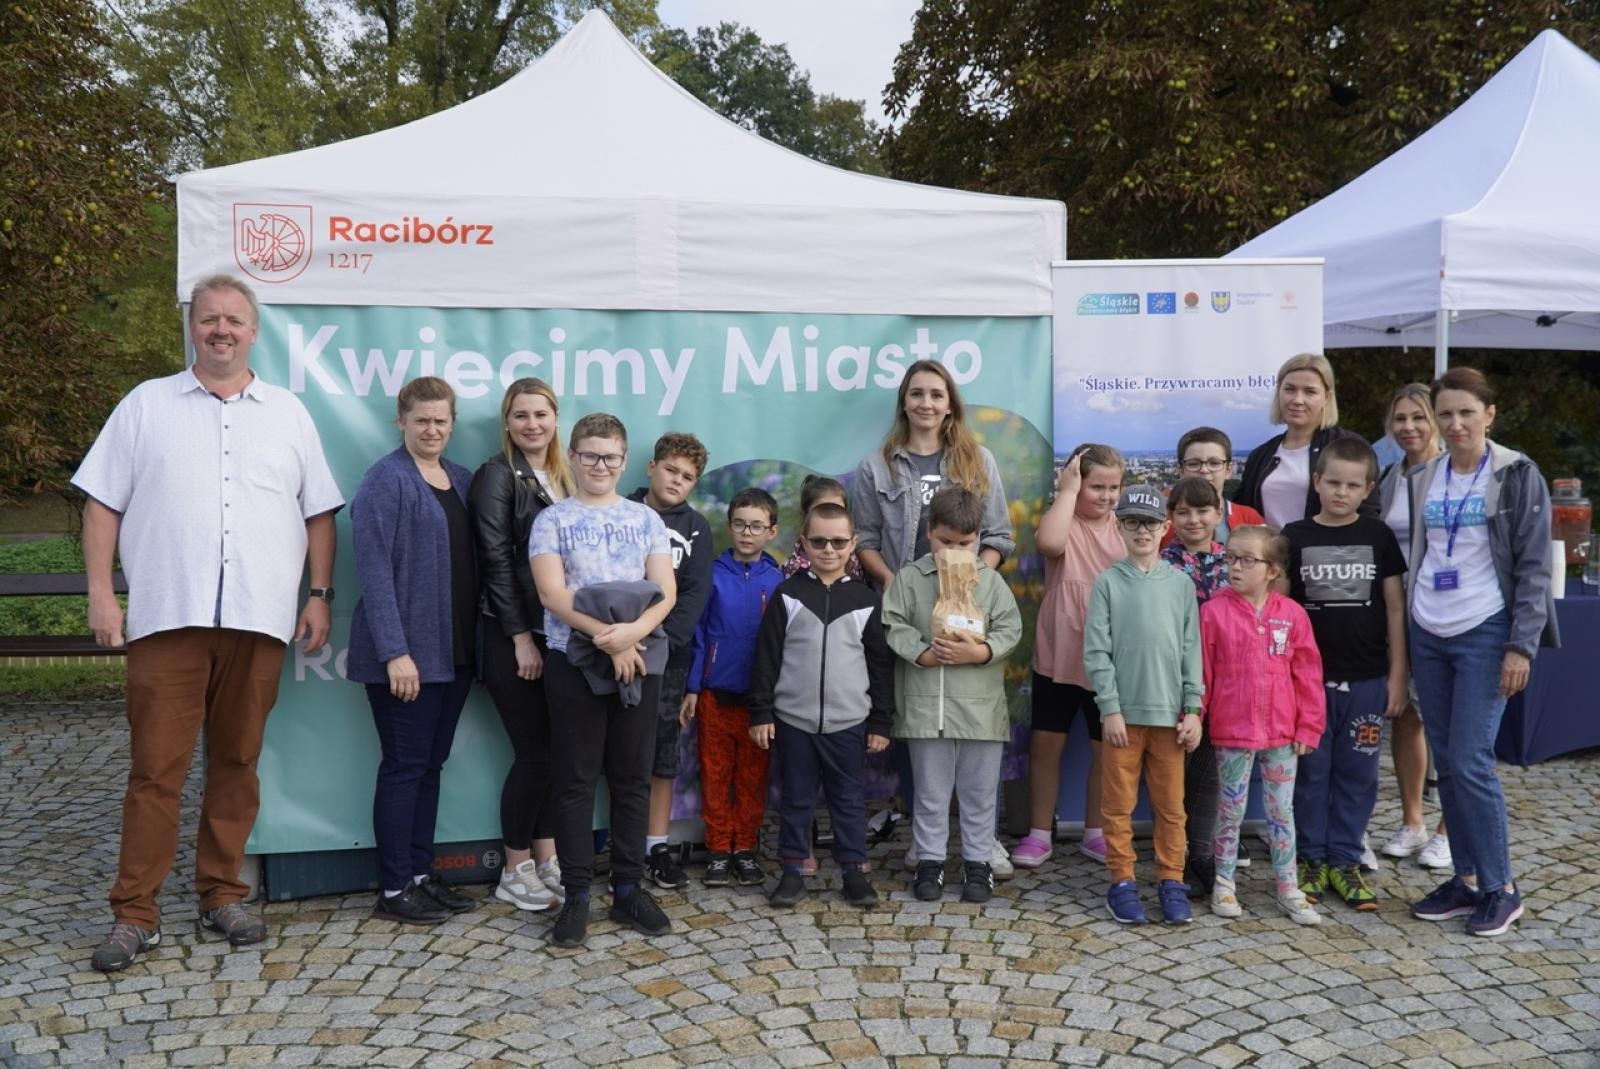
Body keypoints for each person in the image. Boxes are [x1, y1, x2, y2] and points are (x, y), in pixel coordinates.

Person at [75, 275, 342, 972]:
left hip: (256, 618)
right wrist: (102, 594)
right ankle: (135, 913)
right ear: (192, 327)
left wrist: (319, 593)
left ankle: (221, 892)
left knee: (237, 762)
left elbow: (318, 511)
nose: (221, 329)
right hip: (169, 615)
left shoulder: (287, 413)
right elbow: (101, 503)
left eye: (234, 320)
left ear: (254, 331)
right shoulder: (145, 405)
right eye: (209, 319)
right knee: (155, 771)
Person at [1406, 367, 1558, 938]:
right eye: (1444, 413)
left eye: (1466, 412)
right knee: (1447, 762)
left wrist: (1521, 645)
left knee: (1470, 759)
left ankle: (1501, 887)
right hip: (1429, 629)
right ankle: (1465, 881)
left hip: (1485, 632)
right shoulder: (1426, 475)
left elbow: (1535, 567)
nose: (1455, 423)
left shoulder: (1516, 473)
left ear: (1489, 413)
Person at [850, 359, 1013, 870]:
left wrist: (971, 584)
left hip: (968, 613)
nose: (926, 403)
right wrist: (899, 584)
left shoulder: (978, 461)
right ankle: (927, 846)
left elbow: (1000, 537)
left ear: (950, 404)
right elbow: (866, 540)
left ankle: (984, 843)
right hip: (908, 607)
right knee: (918, 723)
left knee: (974, 723)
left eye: (936, 394)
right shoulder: (876, 467)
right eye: (917, 393)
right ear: (904, 401)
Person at [530, 413, 678, 948]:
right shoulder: (551, 520)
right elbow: (552, 594)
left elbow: (665, 589)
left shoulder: (646, 520)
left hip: (640, 657)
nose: (600, 465)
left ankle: (628, 890)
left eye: (610, 457)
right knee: (574, 779)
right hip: (575, 659)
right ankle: (575, 896)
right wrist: (604, 637)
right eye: (590, 455)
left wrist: (631, 636)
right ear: (572, 456)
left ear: (624, 460)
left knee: (632, 777)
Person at [346, 376, 478, 925]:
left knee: (431, 766)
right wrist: (395, 652)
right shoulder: (385, 481)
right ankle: (395, 886)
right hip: (406, 658)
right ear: (400, 421)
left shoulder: (463, 480)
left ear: (452, 424)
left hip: (455, 653)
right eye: (421, 419)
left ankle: (421, 874)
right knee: (404, 767)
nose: (432, 429)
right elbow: (373, 574)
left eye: (441, 420)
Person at [749, 503, 894, 909]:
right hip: (794, 722)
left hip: (849, 723)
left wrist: (881, 721)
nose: (828, 549)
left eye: (838, 541)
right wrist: (761, 712)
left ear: (853, 544)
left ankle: (854, 870)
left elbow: (880, 666)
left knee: (848, 798)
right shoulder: (788, 594)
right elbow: (766, 658)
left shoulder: (865, 599)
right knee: (796, 797)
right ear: (804, 543)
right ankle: (793, 870)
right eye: (818, 541)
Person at [1284, 438, 1408, 913]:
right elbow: (1281, 610)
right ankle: (1310, 859)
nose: (1340, 492)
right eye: (1332, 482)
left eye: (1352, 485)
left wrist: (1398, 676)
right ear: (1316, 482)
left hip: (1368, 679)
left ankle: (1345, 858)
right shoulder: (1293, 536)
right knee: (1312, 772)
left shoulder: (1378, 536)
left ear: (1367, 489)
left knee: (1358, 773)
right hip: (1309, 684)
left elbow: (1395, 610)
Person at [883, 488, 1022, 904]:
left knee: (980, 792)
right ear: (929, 533)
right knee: (930, 791)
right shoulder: (911, 578)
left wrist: (980, 651)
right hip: (928, 707)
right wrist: (921, 652)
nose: (954, 550)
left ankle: (978, 863)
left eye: (964, 543)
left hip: (979, 710)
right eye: (946, 541)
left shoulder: (991, 582)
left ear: (978, 538)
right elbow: (891, 622)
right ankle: (930, 860)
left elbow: (1010, 630)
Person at [469, 378, 574, 914]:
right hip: (512, 634)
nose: (532, 424)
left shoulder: (563, 475)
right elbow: (495, 562)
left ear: (556, 418)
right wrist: (518, 639)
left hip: (557, 634)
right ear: (507, 423)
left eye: (541, 414)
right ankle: (514, 869)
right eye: (521, 415)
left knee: (555, 753)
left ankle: (547, 857)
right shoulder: (496, 475)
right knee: (534, 753)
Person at [1084, 484, 1203, 926]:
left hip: (1170, 719)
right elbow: (1097, 651)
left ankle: (1171, 879)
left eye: (1150, 523)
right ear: (1119, 527)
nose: (1141, 530)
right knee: (1117, 806)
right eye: (1132, 522)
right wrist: (1109, 707)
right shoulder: (1108, 583)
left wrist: (1193, 708)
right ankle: (1122, 880)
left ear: (1165, 528)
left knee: (1172, 807)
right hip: (1123, 719)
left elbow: (1193, 649)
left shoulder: (1180, 585)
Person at [1201, 526, 1325, 925]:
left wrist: (1309, 726)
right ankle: (1223, 882)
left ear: (1271, 570)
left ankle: (1288, 886)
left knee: (1280, 812)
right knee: (1230, 808)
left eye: (1246, 560)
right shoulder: (1213, 612)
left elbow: (1308, 674)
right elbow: (1203, 672)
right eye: (1230, 558)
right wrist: (1196, 716)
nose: (1235, 567)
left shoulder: (1291, 616)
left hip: (1282, 734)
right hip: (1232, 730)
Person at [1013, 445, 1125, 871]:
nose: (1107, 496)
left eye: (1114, 487)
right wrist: (1068, 491)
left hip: (1109, 660)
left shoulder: (1123, 528)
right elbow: (1049, 542)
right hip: (1059, 651)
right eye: (1097, 486)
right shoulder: (1065, 519)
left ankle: (1096, 831)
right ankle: (1039, 832)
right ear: (1076, 482)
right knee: (1046, 744)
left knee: (1106, 749)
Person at [682, 488, 785, 888]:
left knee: (751, 775)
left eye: (756, 526)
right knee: (716, 773)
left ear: (771, 531)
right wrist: (694, 685)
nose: (747, 533)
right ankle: (718, 849)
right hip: (715, 694)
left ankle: (744, 847)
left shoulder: (777, 580)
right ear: (729, 526)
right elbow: (699, 633)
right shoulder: (712, 574)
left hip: (760, 701)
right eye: (740, 524)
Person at [627, 433, 714, 892]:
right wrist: (622, 640)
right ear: (651, 466)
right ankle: (621, 846)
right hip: (613, 651)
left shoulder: (697, 528)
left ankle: (656, 846)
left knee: (663, 755)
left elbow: (693, 597)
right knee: (617, 754)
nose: (676, 481)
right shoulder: (621, 511)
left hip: (667, 658)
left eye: (687, 477)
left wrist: (654, 644)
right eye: (671, 470)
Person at [1374, 383, 1451, 870]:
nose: (1409, 428)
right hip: (1397, 609)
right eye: (1400, 419)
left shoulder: (1452, 473)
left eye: (1419, 418)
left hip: (1443, 609)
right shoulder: (1387, 477)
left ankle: (1450, 828)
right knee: (1404, 716)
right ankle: (1413, 820)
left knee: (1445, 718)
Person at [1158, 476, 1228, 896]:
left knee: (1211, 773)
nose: (1193, 519)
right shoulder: (1163, 561)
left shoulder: (1234, 561)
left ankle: (1203, 854)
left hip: (1223, 682)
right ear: (1171, 518)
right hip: (1176, 683)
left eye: (1203, 511)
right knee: (1174, 773)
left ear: (1219, 514)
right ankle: (1175, 855)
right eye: (1183, 512)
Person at [1234, 353, 1372, 531]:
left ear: (1327, 397)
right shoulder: (1261, 455)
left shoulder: (1349, 447)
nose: (1297, 400)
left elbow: (1368, 512)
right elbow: (1243, 512)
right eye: (1290, 389)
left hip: (1325, 556)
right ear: (1279, 392)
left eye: (1310, 391)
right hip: (1269, 557)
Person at [1162, 427, 1265, 547]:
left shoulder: (1249, 519)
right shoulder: (1161, 522)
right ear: (1181, 471)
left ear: (1228, 470)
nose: (1204, 470)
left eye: (1214, 463)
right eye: (1194, 464)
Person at [783, 474, 864, 581]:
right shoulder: (795, 567)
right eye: (822, 511)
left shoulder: (853, 557)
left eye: (837, 511)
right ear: (805, 516)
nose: (830, 519)